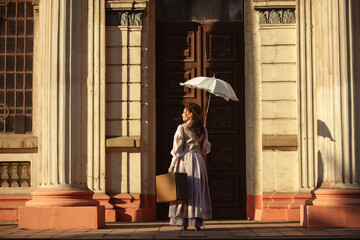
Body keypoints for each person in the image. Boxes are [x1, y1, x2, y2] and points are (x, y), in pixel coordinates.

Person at [168, 102, 212, 231]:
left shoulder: (181, 128)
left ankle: (183, 222)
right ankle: (197, 221)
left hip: (185, 160)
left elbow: (176, 150)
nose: (182, 114)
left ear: (190, 114)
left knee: (184, 189)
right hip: (198, 160)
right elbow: (205, 150)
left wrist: (172, 165)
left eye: (184, 111)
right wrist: (204, 137)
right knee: (197, 190)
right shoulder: (202, 129)